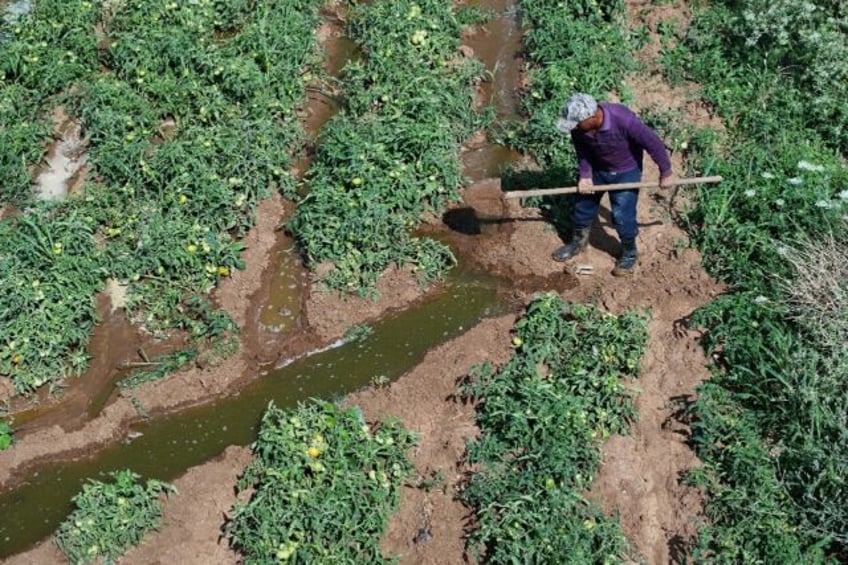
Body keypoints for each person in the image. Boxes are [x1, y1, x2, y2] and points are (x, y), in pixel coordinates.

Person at [553, 93, 675, 276]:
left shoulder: (623, 119)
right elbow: (583, 150)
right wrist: (585, 175)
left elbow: (652, 142)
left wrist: (665, 171)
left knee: (622, 216)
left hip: (627, 172)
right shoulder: (579, 128)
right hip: (598, 169)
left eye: (577, 124)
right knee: (583, 207)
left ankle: (629, 253)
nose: (575, 128)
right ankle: (578, 243)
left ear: (593, 117)